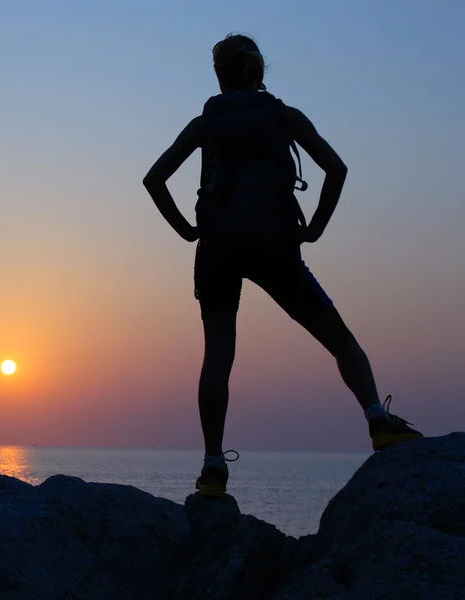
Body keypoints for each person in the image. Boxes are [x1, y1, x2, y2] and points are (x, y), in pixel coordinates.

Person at [143, 34, 423, 498]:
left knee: (218, 356)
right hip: (274, 246)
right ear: (260, 73)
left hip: (216, 250)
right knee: (339, 338)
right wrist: (313, 228)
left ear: (219, 75)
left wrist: (186, 230)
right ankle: (378, 420)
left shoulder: (204, 124)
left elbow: (155, 179)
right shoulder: (283, 117)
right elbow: (336, 169)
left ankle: (213, 468)